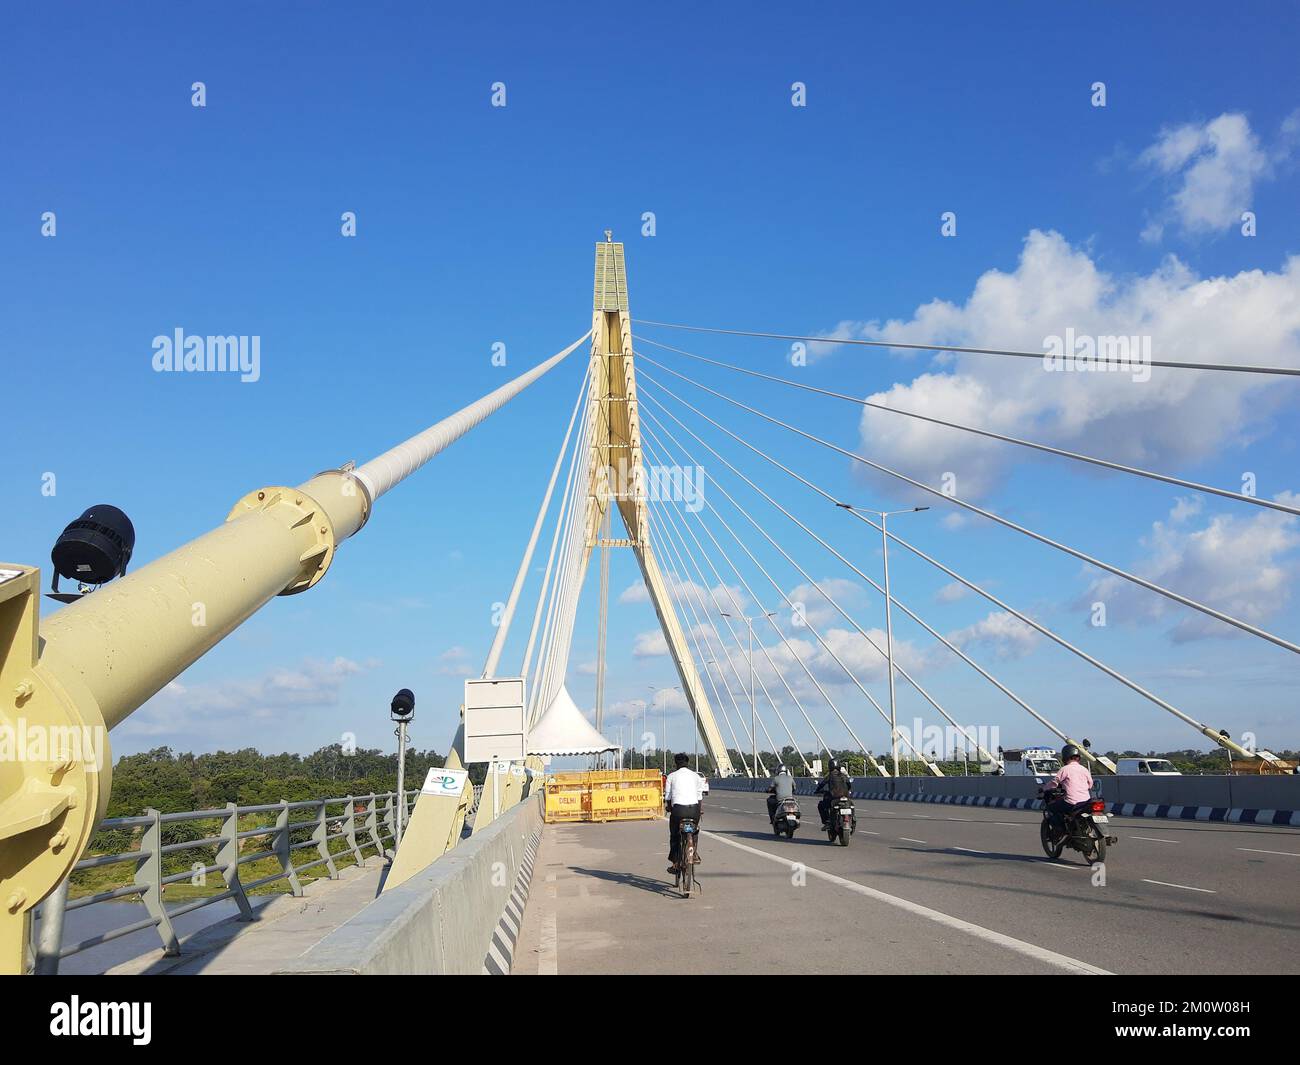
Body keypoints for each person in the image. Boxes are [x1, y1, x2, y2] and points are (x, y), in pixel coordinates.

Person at [665, 752, 704, 872]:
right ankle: (694, 853)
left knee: (675, 834)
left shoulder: (671, 776)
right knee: (694, 830)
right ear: (687, 763)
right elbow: (699, 797)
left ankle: (675, 862)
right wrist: (699, 810)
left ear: (676, 764)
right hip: (694, 810)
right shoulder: (696, 776)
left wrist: (669, 808)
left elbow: (668, 797)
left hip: (679, 810)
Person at [1045, 744, 1094, 832]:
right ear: (1078, 757)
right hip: (1086, 801)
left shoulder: (1065, 769)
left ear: (1065, 757)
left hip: (1071, 802)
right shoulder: (1084, 769)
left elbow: (1054, 783)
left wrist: (1044, 788)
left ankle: (1061, 829)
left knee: (1051, 807)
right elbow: (1090, 784)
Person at [815, 759, 851, 826]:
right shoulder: (843, 775)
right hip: (846, 796)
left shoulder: (830, 776)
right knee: (851, 806)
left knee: (821, 805)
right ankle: (853, 820)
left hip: (834, 797)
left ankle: (827, 821)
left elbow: (822, 784)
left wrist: (817, 790)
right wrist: (847, 790)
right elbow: (849, 784)